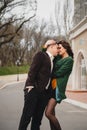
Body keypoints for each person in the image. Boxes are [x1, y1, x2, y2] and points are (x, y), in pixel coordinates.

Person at [18, 39, 59, 130]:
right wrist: (30, 86)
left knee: (37, 120)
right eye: (57, 47)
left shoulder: (53, 61)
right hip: (33, 91)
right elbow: (32, 71)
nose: (58, 50)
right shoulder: (41, 55)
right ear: (51, 46)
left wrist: (47, 94)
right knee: (26, 117)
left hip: (43, 94)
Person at [45, 40, 74, 130]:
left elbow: (58, 73)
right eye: (57, 48)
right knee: (52, 114)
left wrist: (48, 72)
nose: (58, 50)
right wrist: (46, 45)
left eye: (59, 48)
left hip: (57, 89)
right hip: (50, 87)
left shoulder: (69, 60)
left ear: (65, 49)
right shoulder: (58, 57)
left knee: (48, 113)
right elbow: (45, 54)